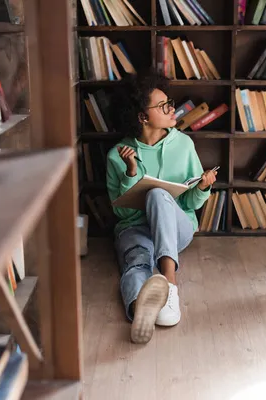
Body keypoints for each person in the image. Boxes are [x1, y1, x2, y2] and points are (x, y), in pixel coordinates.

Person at [106, 71, 217, 344]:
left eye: (170, 102)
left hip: (176, 230)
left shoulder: (183, 144)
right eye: (163, 106)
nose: (172, 109)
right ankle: (138, 310)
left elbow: (189, 203)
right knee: (135, 262)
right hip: (136, 229)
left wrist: (202, 188)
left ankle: (170, 287)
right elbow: (122, 213)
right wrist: (131, 172)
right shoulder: (117, 155)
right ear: (143, 117)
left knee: (157, 194)